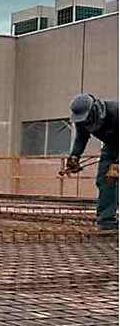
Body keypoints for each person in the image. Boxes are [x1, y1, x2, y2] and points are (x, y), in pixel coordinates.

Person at [65, 94, 118, 230]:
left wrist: (117, 163)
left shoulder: (115, 111)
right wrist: (74, 157)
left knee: (115, 176)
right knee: (105, 180)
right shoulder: (82, 120)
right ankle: (106, 222)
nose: (84, 121)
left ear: (95, 110)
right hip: (111, 146)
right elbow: (81, 139)